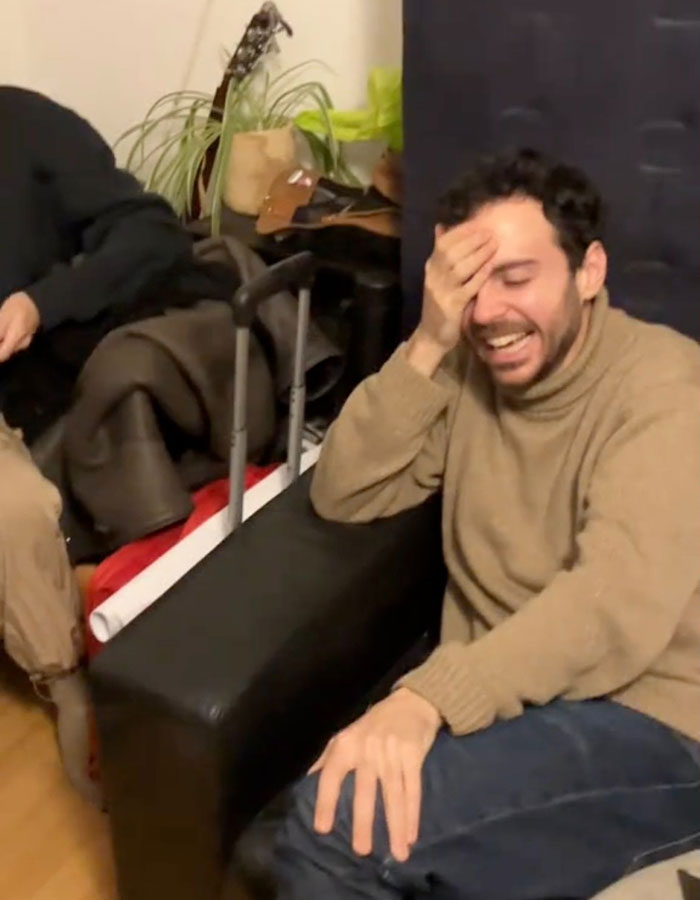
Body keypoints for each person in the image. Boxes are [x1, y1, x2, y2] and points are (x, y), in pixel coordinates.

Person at [274, 149, 700, 899]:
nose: (488, 312)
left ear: (589, 271)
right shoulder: (468, 366)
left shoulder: (666, 388)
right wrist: (429, 342)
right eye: (468, 284)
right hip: (520, 702)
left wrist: (427, 699)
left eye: (516, 278)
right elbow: (344, 491)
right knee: (352, 796)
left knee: (337, 822)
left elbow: (610, 606)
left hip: (652, 718)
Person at [0, 85, 210, 803]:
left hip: (17, 384)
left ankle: (64, 684)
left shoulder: (27, 125)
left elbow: (152, 233)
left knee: (12, 507)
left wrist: (38, 303)